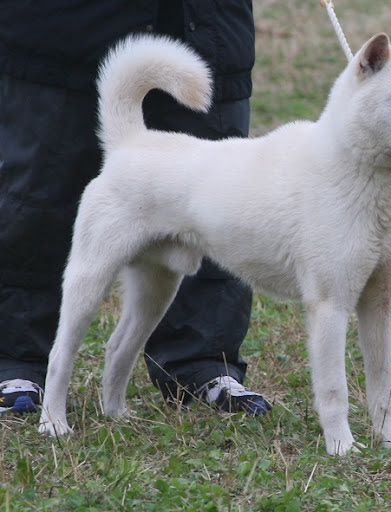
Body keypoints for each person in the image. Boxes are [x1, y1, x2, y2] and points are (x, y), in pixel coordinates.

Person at [0, 1, 271, 416]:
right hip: (59, 31)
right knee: (36, 201)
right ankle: (18, 362)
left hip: (208, 27)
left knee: (221, 219)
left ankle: (203, 365)